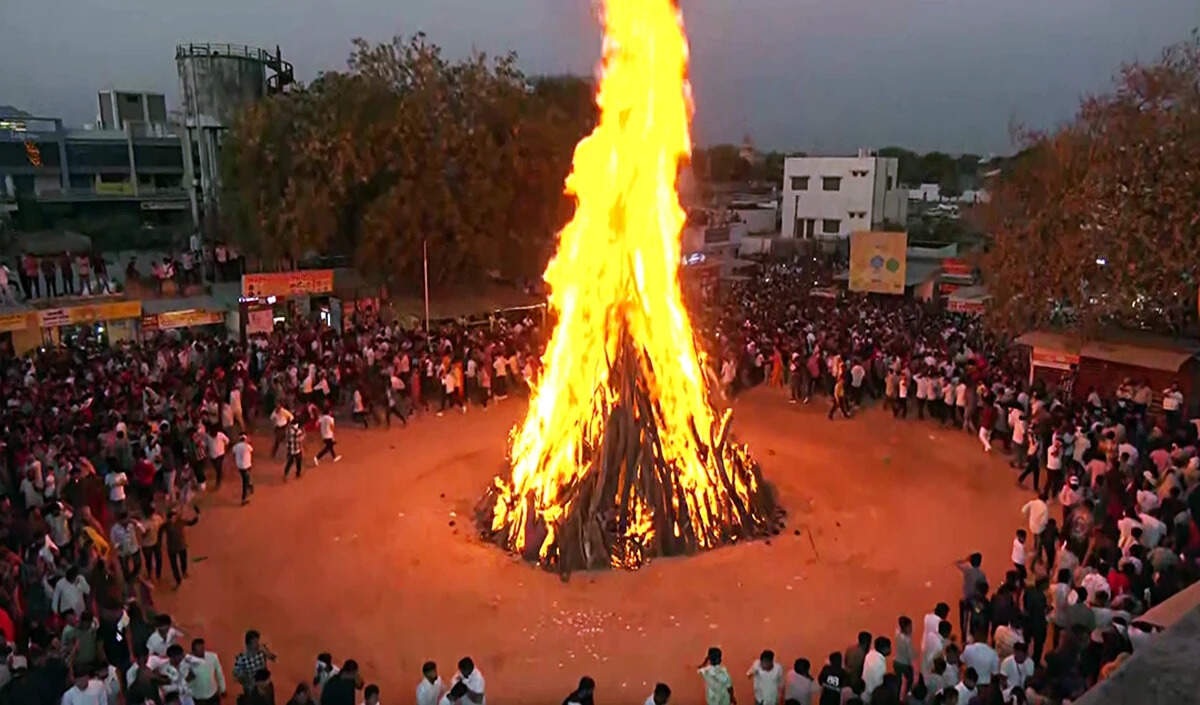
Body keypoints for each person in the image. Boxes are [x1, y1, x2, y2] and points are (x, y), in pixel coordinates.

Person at [234, 630, 277, 695]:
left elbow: (274, 659)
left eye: (258, 641)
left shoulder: (262, 650)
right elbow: (236, 676)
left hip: (266, 684)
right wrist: (248, 681)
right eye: (255, 642)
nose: (257, 644)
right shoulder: (241, 658)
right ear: (248, 645)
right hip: (252, 689)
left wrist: (266, 652)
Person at [188, 638, 227, 705]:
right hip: (198, 697)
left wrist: (223, 688)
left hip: (213, 694)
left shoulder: (213, 657)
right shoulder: (188, 662)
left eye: (202, 649)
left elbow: (219, 673)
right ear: (193, 651)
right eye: (199, 650)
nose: (202, 652)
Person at [894, 616, 915, 696]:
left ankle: (896, 696)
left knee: (898, 682)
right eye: (909, 627)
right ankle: (908, 694)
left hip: (896, 662)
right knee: (910, 679)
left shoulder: (897, 634)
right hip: (905, 664)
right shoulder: (907, 640)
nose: (911, 629)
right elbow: (910, 655)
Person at [232, 433, 255, 505]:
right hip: (247, 466)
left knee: (245, 479)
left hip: (240, 467)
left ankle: (250, 486)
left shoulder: (235, 447)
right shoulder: (247, 446)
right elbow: (252, 450)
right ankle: (243, 499)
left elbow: (233, 453)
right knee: (245, 482)